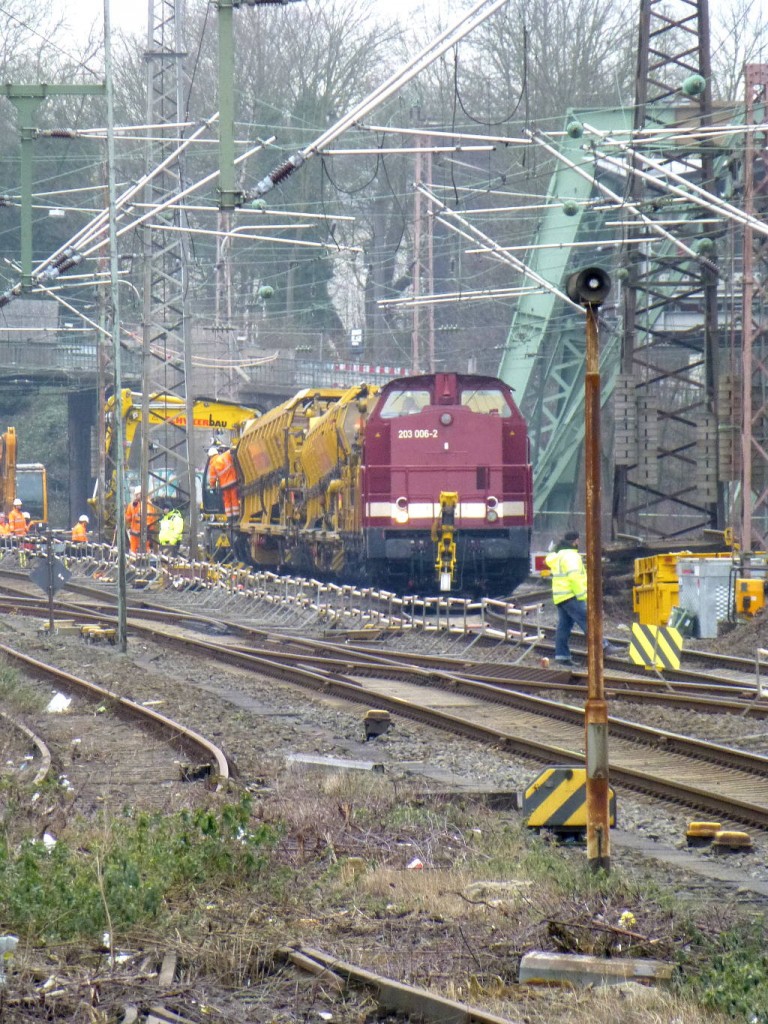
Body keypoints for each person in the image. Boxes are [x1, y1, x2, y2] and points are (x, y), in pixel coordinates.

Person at [545, 530, 621, 666]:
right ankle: (603, 646)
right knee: (589, 621)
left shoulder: (558, 556)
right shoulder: (571, 557)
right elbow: (574, 578)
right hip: (571, 596)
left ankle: (561, 656)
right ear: (576, 541)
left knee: (564, 627)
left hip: (560, 597)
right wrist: (583, 596)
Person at [207, 444, 240, 525]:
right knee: (234, 499)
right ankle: (236, 516)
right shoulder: (225, 456)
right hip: (233, 482)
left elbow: (212, 479)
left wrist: (213, 488)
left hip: (224, 486)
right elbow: (232, 450)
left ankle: (229, 518)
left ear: (210, 456)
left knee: (227, 502)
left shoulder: (212, 465)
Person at [125, 489, 160, 554]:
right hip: (135, 531)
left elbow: (150, 518)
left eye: (138, 494)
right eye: (136, 495)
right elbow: (128, 517)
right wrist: (131, 517)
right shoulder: (132, 504)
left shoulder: (148, 504)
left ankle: (146, 556)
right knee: (133, 548)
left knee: (145, 547)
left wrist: (148, 528)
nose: (137, 496)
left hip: (145, 530)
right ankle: (134, 557)